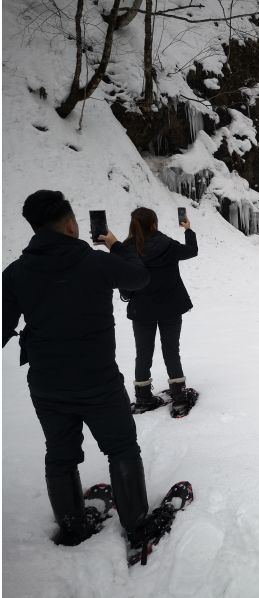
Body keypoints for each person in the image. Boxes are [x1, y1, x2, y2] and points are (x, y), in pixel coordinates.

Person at [2, 190, 167, 550]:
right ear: (71, 223)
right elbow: (139, 279)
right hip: (99, 382)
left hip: (46, 385)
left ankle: (72, 525)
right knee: (121, 447)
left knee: (59, 454)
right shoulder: (95, 262)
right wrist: (117, 246)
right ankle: (137, 525)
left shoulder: (15, 273)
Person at [122, 207, 198, 418]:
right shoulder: (167, 245)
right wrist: (188, 230)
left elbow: (126, 287)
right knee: (171, 350)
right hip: (171, 307)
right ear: (154, 224)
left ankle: (143, 398)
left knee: (143, 353)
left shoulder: (128, 249)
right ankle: (179, 399)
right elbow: (192, 250)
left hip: (142, 310)